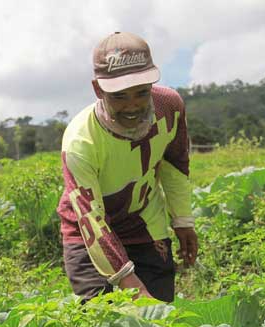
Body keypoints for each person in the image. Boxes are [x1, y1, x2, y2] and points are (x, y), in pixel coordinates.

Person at [57, 31, 198, 302]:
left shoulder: (169, 107)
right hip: (87, 234)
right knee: (99, 321)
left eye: (141, 93)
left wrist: (182, 221)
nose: (132, 105)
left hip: (144, 223)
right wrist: (125, 278)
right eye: (119, 96)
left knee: (158, 319)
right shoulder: (80, 141)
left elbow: (175, 166)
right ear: (99, 90)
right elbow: (92, 220)